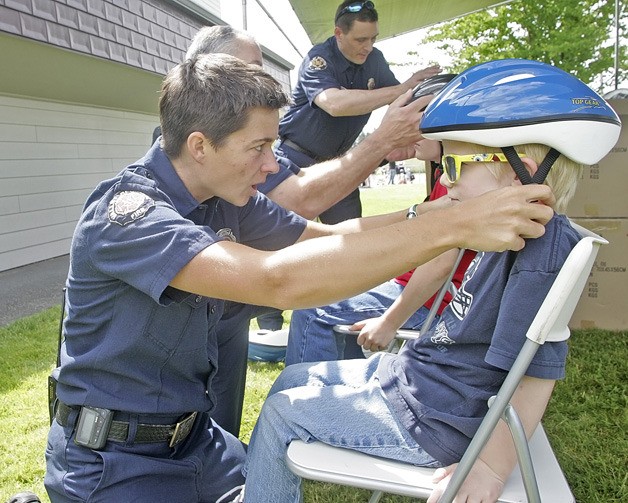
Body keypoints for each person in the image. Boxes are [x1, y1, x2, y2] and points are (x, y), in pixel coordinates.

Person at [242, 59, 621, 503]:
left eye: (457, 167)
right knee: (293, 380)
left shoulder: (540, 252)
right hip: (416, 381)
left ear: (525, 171)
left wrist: (487, 467)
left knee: (282, 412)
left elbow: (534, 377)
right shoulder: (507, 235)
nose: (445, 180)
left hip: (436, 420)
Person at [176, 25, 442, 435]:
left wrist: (425, 216)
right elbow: (281, 275)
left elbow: (316, 235)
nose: (270, 164)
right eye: (259, 150)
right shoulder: (146, 207)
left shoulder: (231, 189)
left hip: (223, 328)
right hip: (132, 448)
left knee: (222, 440)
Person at [286, 139, 477, 365]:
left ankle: (307, 395)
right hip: (416, 287)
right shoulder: (446, 176)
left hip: (434, 300)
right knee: (326, 293)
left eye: (424, 128)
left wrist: (389, 322)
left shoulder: (456, 181)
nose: (414, 134)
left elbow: (440, 265)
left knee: (312, 309)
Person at [276, 1, 440, 225]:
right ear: (338, 33)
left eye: (373, 38)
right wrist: (403, 88)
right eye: (361, 39)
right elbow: (333, 103)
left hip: (342, 163)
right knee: (283, 237)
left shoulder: (375, 60)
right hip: (296, 160)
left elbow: (401, 99)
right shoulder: (320, 58)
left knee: (350, 235)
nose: (369, 47)